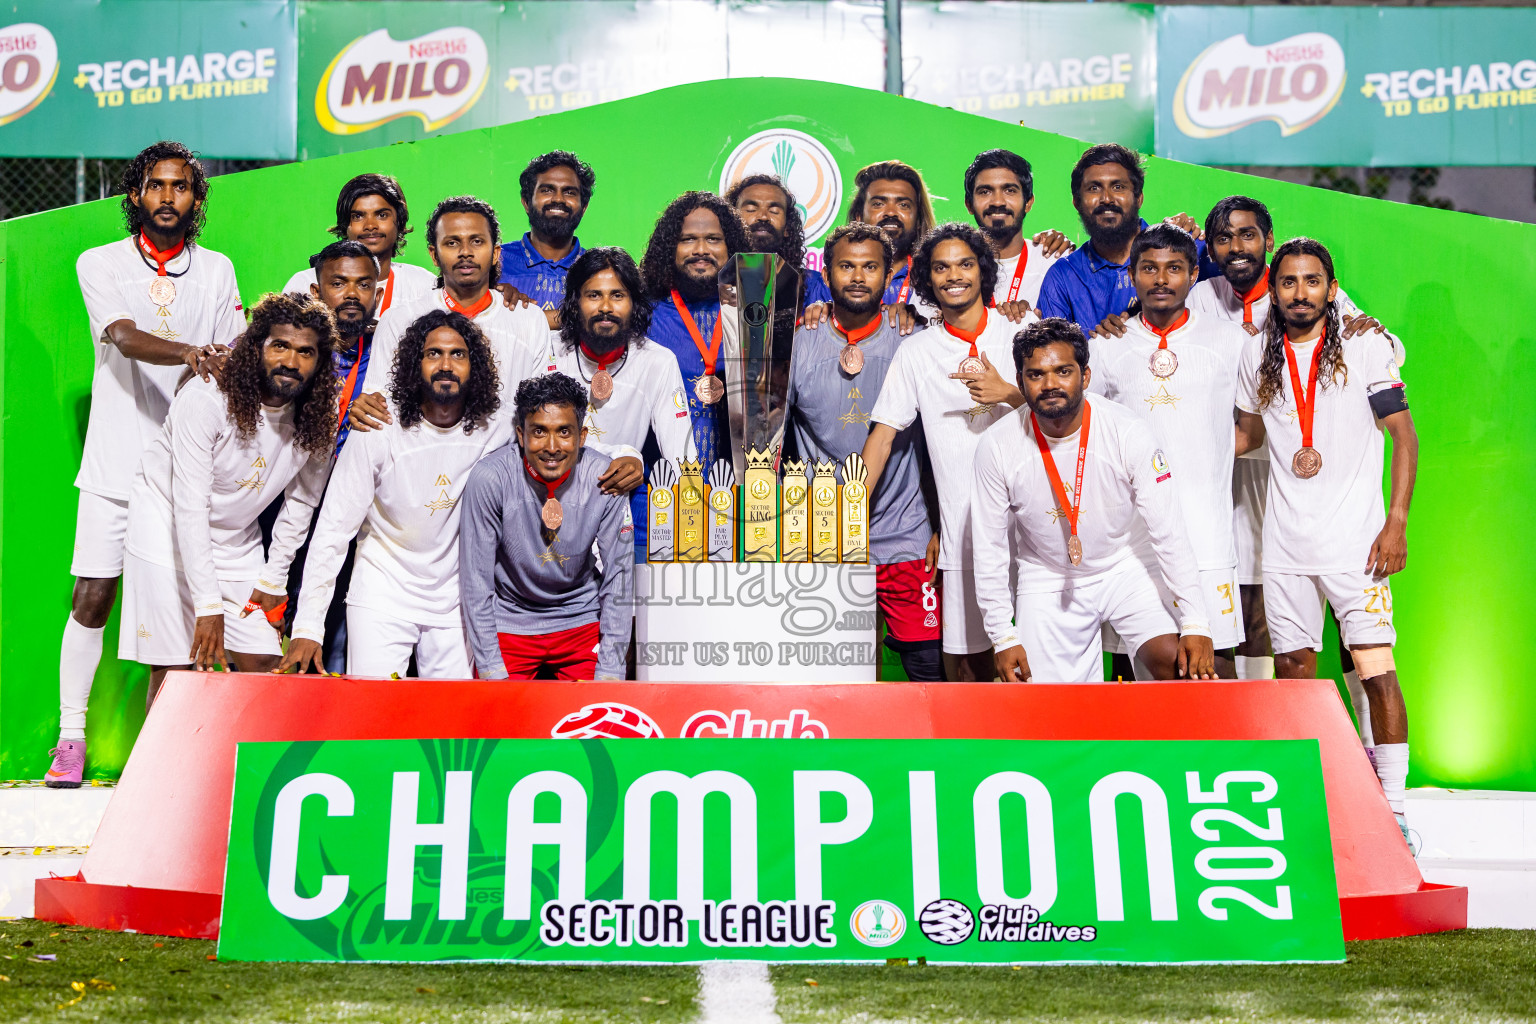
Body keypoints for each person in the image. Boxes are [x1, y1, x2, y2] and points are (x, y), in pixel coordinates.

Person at [47, 141, 242, 788]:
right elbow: (124, 337)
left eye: (181, 186)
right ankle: (70, 737)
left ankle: (164, 754)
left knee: (176, 616)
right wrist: (193, 352)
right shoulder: (98, 262)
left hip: (184, 476)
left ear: (196, 198)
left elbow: (233, 351)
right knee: (92, 599)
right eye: (155, 185)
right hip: (113, 464)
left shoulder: (216, 270)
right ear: (135, 195)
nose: (167, 196)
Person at [1235, 238, 1417, 842]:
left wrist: (1396, 521)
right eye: (1287, 282)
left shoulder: (1365, 346)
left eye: (1313, 281)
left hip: (1357, 545)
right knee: (1294, 676)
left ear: (1331, 290)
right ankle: (1315, 813)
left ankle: (1393, 814)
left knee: (1374, 670)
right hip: (1285, 547)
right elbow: (1246, 435)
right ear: (1274, 290)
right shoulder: (1256, 355)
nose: (1300, 292)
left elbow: (1405, 439)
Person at [1186, 195, 1400, 693]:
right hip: (1243, 471)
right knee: (1260, 617)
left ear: (1268, 240)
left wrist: (1379, 334)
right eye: (1222, 237)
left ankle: (1375, 757)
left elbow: (1387, 353)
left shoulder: (1317, 294)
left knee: (1360, 645)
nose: (1236, 246)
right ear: (1210, 248)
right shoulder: (1200, 295)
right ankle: (1270, 741)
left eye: (1247, 235)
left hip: (1322, 487)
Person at [119, 293, 338, 702]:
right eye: (280, 346)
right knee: (176, 672)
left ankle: (246, 767)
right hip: (164, 530)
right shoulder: (207, 399)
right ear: (256, 348)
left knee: (265, 666)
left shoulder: (317, 416)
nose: (291, 361)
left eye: (305, 352)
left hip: (235, 541)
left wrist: (274, 578)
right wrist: (207, 604)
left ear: (320, 361)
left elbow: (302, 504)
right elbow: (190, 504)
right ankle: (165, 768)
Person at [973, 318, 1216, 683]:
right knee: (1045, 707)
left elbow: (1169, 532)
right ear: (1021, 381)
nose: (1050, 384)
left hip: (1127, 564)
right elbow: (989, 549)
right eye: (1036, 374)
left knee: (1178, 665)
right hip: (1048, 573)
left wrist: (1196, 620)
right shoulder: (996, 445)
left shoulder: (1127, 430)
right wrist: (1002, 635)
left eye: (1063, 371)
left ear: (1085, 377)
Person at [279, 309, 505, 678]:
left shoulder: (495, 427)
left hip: (455, 599)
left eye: (457, 354)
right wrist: (307, 626)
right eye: (433, 354)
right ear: (414, 365)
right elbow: (334, 530)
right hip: (382, 591)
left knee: (450, 727)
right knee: (373, 724)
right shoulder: (377, 426)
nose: (445, 364)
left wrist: (624, 454)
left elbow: (558, 429)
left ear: (474, 365)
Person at [861, 223, 1033, 681]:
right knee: (966, 665)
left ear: (982, 270)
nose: (953, 275)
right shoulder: (917, 351)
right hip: (964, 530)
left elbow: (1067, 418)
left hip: (1033, 531)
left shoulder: (1023, 330)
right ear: (927, 279)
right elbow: (882, 437)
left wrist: (1009, 393)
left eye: (964, 264)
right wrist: (845, 512)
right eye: (941, 267)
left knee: (1034, 659)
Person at [1086, 224, 1248, 673]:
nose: (1161, 279)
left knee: (1215, 661)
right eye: (1149, 269)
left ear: (1193, 274)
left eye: (1174, 268)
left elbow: (1250, 430)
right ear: (1132, 275)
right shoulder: (1104, 346)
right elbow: (1090, 431)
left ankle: (1224, 745)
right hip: (1134, 540)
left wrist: (1204, 456)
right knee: (1147, 663)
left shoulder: (1230, 341)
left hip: (1207, 534)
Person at [787, 224, 942, 681]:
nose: (858, 277)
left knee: (928, 665)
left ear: (887, 274)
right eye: (846, 266)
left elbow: (942, 442)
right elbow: (768, 447)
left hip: (906, 532)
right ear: (826, 273)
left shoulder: (913, 342)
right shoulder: (797, 344)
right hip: (824, 537)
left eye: (870, 267)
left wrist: (942, 523)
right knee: (834, 676)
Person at [459, 373, 634, 680]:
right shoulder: (490, 478)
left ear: (581, 436)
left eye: (564, 432)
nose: (552, 447)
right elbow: (476, 581)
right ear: (520, 434)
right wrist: (490, 667)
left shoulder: (604, 479)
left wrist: (611, 670)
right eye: (539, 432)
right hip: (511, 621)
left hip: (580, 620)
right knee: (496, 724)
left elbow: (619, 579)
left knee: (598, 722)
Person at [349, 195, 548, 432]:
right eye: (452, 243)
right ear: (434, 254)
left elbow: (542, 408)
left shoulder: (529, 319)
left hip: (504, 461)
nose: (465, 252)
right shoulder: (399, 321)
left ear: (495, 253)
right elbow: (377, 409)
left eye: (476, 241)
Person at [544, 247, 693, 562]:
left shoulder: (657, 361)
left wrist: (693, 534)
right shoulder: (548, 351)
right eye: (594, 295)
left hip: (614, 513)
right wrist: (627, 454)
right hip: (546, 508)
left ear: (634, 303)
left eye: (618, 296)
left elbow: (683, 460)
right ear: (575, 302)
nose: (606, 307)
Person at [1037, 144, 1203, 333]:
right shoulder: (1062, 277)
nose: (1107, 198)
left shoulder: (1188, 248)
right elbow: (1051, 354)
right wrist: (1096, 349)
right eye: (1093, 188)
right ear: (1077, 202)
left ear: (1138, 197)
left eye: (1118, 187)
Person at [639, 191, 748, 471]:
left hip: (736, 494)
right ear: (669, 248)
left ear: (731, 247)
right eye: (687, 239)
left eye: (713, 239)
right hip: (659, 493)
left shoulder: (755, 316)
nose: (701, 249)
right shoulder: (643, 315)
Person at [282, 173, 435, 314]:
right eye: (358, 216)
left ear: (399, 222)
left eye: (382, 215)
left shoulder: (423, 284)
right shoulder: (305, 283)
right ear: (345, 225)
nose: (370, 225)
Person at [963, 148, 1072, 309]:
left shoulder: (1054, 261)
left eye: (1009, 190)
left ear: (1028, 202)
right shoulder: (953, 268)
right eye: (985, 191)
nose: (997, 201)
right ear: (969, 204)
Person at [497, 151, 595, 322]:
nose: (558, 199)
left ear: (584, 207)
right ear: (526, 202)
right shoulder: (495, 262)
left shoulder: (598, 271)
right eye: (547, 190)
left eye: (570, 192)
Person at [727, 172, 806, 276]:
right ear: (731, 220)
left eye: (774, 211)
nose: (763, 217)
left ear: (787, 227)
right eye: (751, 209)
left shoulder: (815, 285)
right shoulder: (712, 283)